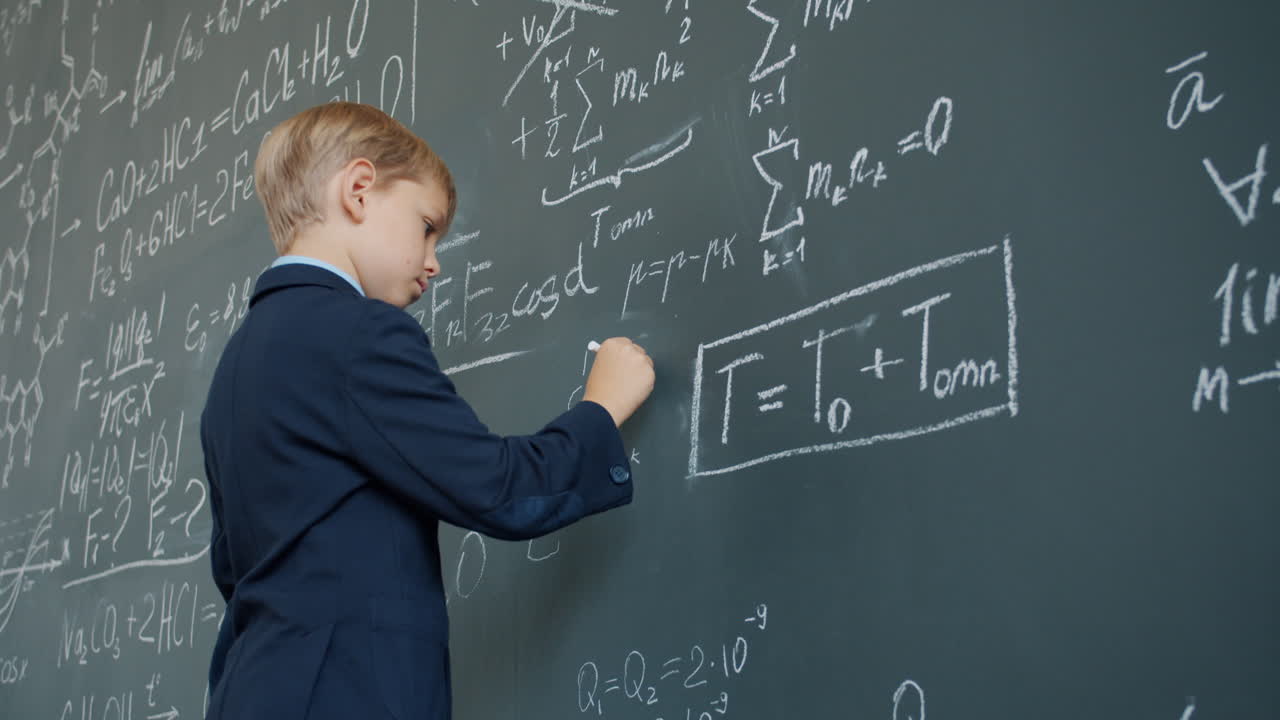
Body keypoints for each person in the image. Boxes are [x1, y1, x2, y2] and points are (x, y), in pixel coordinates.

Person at [200, 101, 655, 719]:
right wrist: (601, 410)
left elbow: (232, 565)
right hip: (344, 697)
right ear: (359, 191)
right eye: (426, 226)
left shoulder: (237, 363)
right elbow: (497, 487)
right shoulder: (359, 333)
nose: (434, 260)